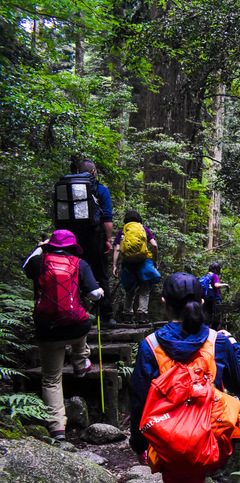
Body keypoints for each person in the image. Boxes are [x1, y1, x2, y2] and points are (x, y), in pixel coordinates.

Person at [129, 272, 240, 483]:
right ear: (203, 301)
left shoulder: (150, 347)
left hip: (172, 446)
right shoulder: (217, 342)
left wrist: (138, 444)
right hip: (211, 442)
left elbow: (139, 402)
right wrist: (233, 345)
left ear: (165, 305)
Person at [22, 229, 104, 440]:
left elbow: (25, 266)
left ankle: (57, 427)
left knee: (51, 379)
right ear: (72, 246)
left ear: (50, 245)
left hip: (48, 331)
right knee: (82, 323)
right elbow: (94, 295)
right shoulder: (79, 264)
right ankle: (80, 364)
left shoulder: (40, 262)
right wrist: (100, 292)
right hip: (76, 329)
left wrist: (41, 246)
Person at [58, 159, 115, 325]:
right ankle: (106, 316)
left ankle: (71, 312)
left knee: (71, 273)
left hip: (70, 239)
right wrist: (108, 240)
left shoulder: (67, 188)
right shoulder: (100, 190)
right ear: (94, 172)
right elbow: (107, 219)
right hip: (95, 237)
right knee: (101, 274)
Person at [111, 210, 161, 324]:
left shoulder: (123, 231)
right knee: (144, 289)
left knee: (130, 290)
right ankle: (142, 316)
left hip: (128, 263)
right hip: (144, 261)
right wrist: (155, 260)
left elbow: (117, 249)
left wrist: (114, 265)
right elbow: (154, 245)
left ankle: (127, 316)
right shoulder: (144, 229)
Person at [200, 262, 229, 330]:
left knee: (207, 316)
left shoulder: (204, 277)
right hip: (214, 299)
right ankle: (213, 332)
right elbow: (216, 285)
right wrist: (225, 285)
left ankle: (205, 331)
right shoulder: (214, 276)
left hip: (206, 300)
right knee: (217, 317)